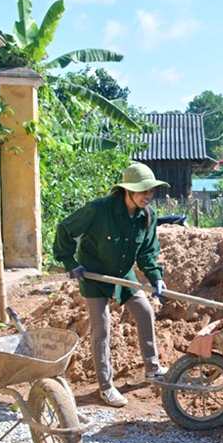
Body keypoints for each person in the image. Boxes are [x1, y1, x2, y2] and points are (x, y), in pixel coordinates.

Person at [53, 163, 169, 407]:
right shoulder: (99, 209)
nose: (148, 196)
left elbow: (147, 252)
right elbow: (65, 229)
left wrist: (156, 276)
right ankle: (106, 387)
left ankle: (153, 369)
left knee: (145, 311)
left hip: (122, 273)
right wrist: (69, 262)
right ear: (127, 190)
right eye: (143, 191)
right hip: (93, 274)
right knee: (102, 329)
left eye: (151, 191)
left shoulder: (147, 215)